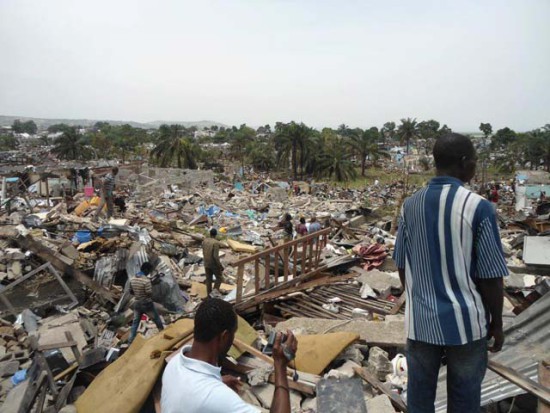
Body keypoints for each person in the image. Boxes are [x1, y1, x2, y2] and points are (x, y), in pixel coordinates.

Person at [393, 133, 508, 413]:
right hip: (466, 324)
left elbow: (401, 264)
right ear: (463, 162)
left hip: (421, 323)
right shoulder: (478, 207)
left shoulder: (410, 206)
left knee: (419, 399)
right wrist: (497, 322)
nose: (475, 167)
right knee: (465, 399)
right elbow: (491, 276)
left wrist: (417, 299)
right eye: (474, 162)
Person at [161, 298, 297, 413]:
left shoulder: (174, 364)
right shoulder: (216, 397)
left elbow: (192, 393)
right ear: (225, 336)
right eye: (233, 333)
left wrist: (217, 381)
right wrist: (280, 365)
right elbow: (208, 397)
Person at [128, 262, 164, 344]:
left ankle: (130, 341)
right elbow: (149, 293)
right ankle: (163, 334)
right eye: (149, 271)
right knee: (157, 319)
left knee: (135, 323)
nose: (149, 273)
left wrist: (138, 293)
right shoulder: (146, 280)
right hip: (146, 304)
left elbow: (130, 291)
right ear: (146, 270)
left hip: (137, 303)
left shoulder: (133, 278)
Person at [202, 228, 224, 296]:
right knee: (219, 278)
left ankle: (209, 295)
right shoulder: (216, 243)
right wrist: (220, 266)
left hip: (206, 263)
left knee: (209, 279)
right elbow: (215, 256)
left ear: (210, 233)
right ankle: (213, 294)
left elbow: (203, 252)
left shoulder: (204, 241)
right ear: (216, 234)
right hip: (213, 264)